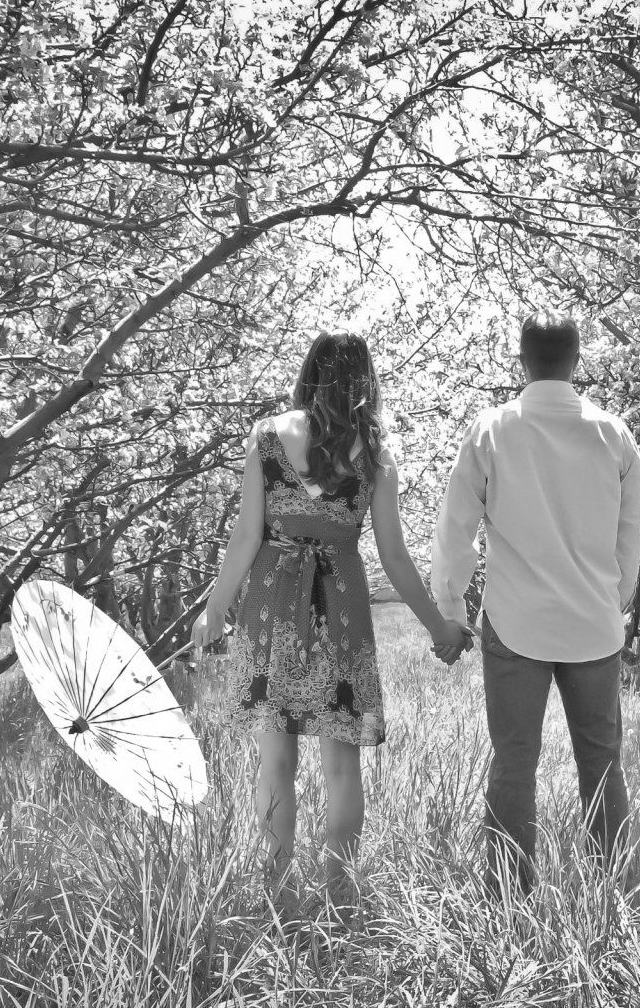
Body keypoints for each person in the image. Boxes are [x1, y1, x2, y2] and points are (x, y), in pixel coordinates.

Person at [196, 332, 475, 905]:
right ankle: (340, 895)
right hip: (341, 608)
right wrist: (438, 627)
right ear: (364, 380)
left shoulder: (269, 435)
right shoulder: (375, 451)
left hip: (272, 605)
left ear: (310, 372)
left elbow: (246, 535)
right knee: (342, 764)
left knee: (275, 758)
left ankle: (276, 893)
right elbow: (394, 557)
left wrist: (216, 609)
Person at [431, 311, 640, 896]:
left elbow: (455, 533)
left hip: (515, 622)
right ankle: (611, 894)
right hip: (593, 628)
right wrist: (611, 604)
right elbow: (630, 542)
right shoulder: (615, 435)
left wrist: (448, 611)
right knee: (602, 762)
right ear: (578, 361)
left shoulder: (491, 431)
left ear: (520, 360)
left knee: (514, 762)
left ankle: (506, 898)